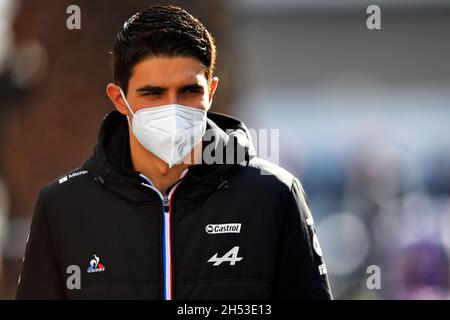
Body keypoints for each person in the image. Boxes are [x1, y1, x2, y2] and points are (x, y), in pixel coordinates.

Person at [15, 4, 332, 300]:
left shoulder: (273, 195)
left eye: (189, 91)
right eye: (153, 93)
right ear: (119, 99)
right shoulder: (64, 206)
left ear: (211, 91)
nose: (173, 107)